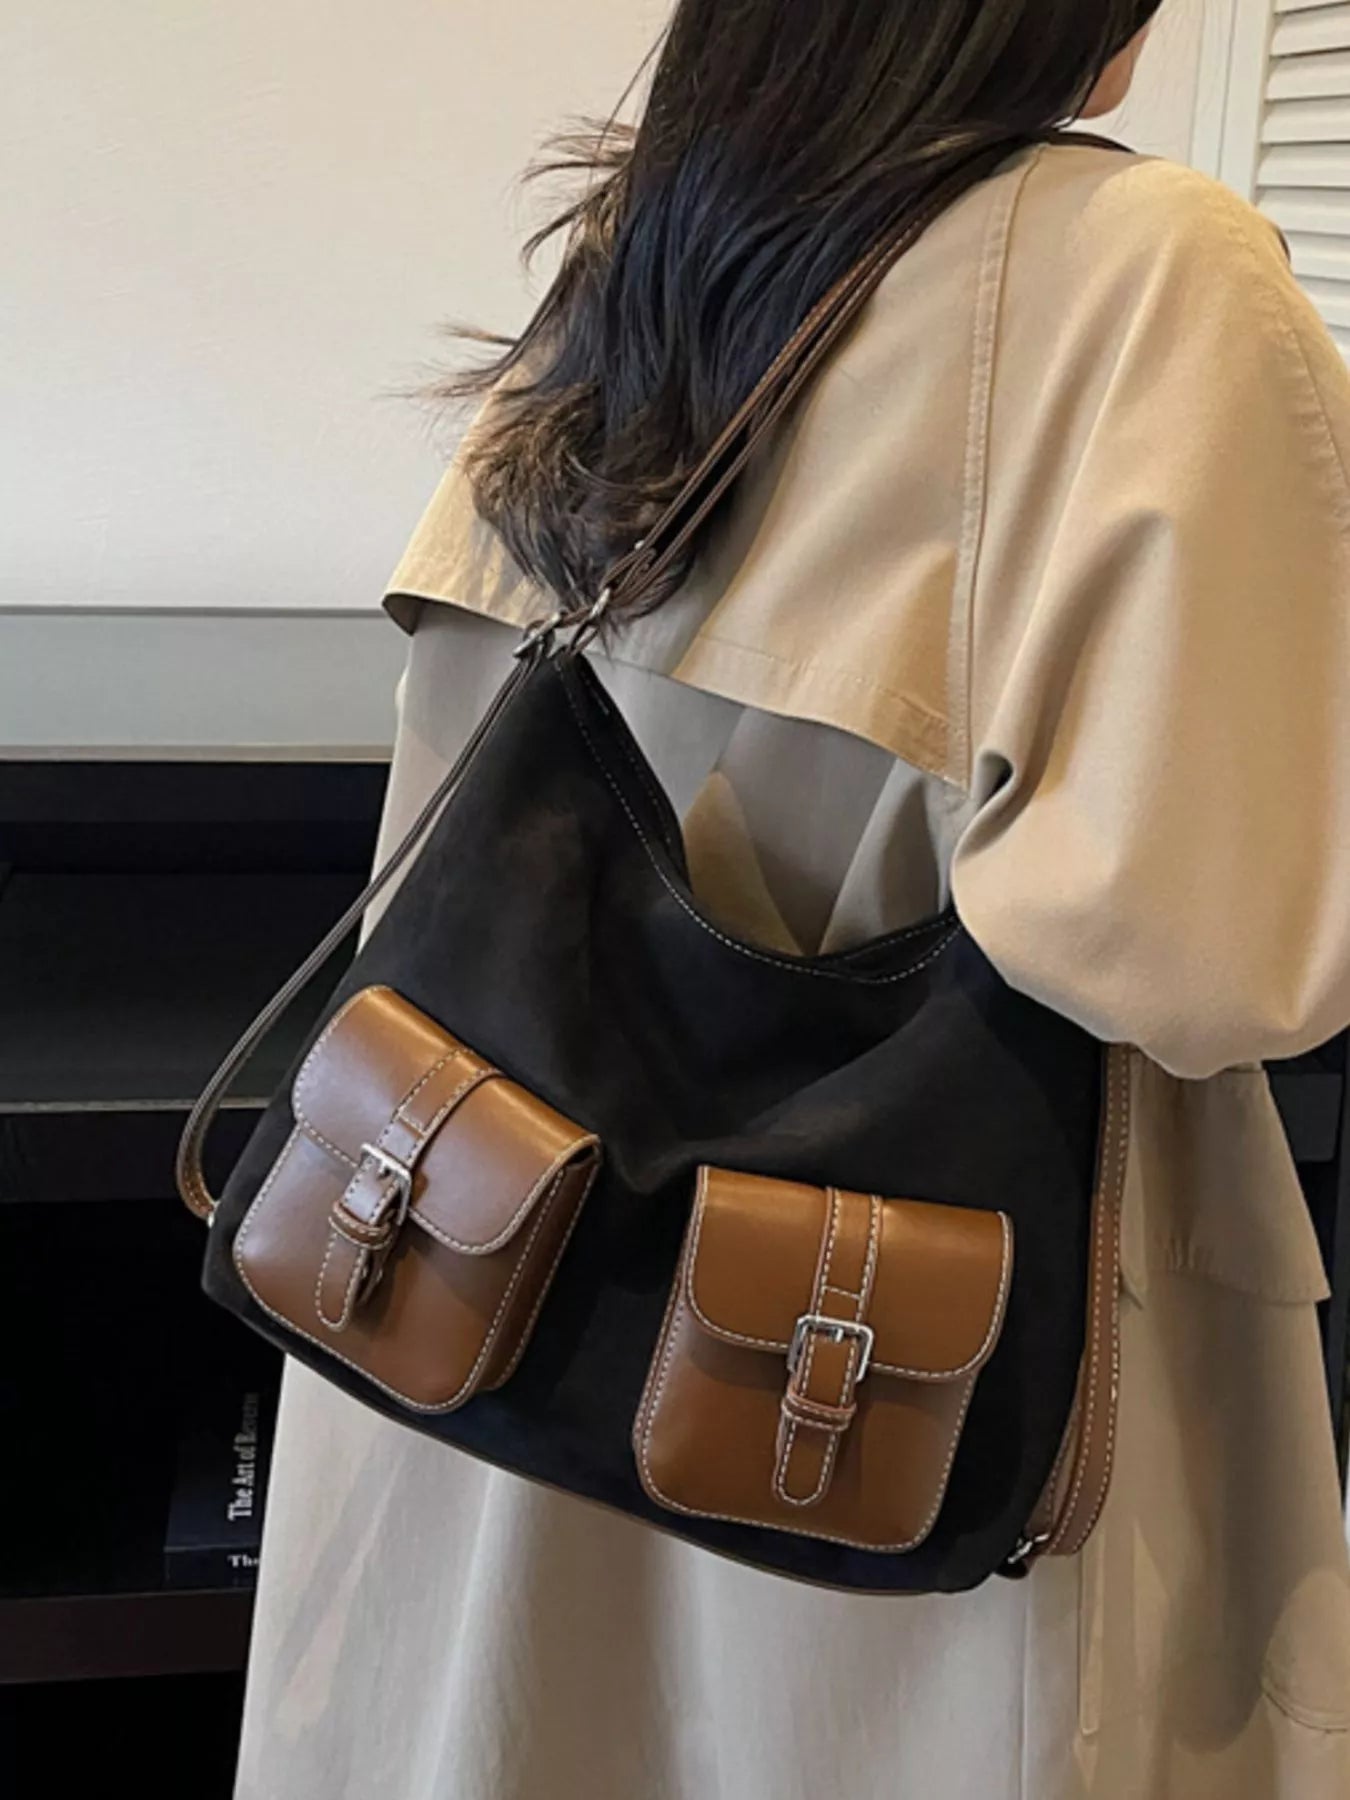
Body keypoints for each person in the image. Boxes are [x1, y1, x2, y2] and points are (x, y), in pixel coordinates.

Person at [234, 4, 1350, 1795]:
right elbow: (1212, 951)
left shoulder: (655, 234)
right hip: (870, 1390)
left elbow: (451, 768)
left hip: (486, 1281)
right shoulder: (1155, 275)